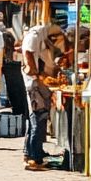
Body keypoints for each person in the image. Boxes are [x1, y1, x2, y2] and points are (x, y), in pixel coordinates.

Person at [21, 22, 63, 170]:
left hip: (39, 83)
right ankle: (35, 159)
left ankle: (31, 152)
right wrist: (37, 75)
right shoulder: (34, 37)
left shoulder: (43, 38)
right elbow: (28, 55)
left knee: (36, 120)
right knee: (38, 119)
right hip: (34, 84)